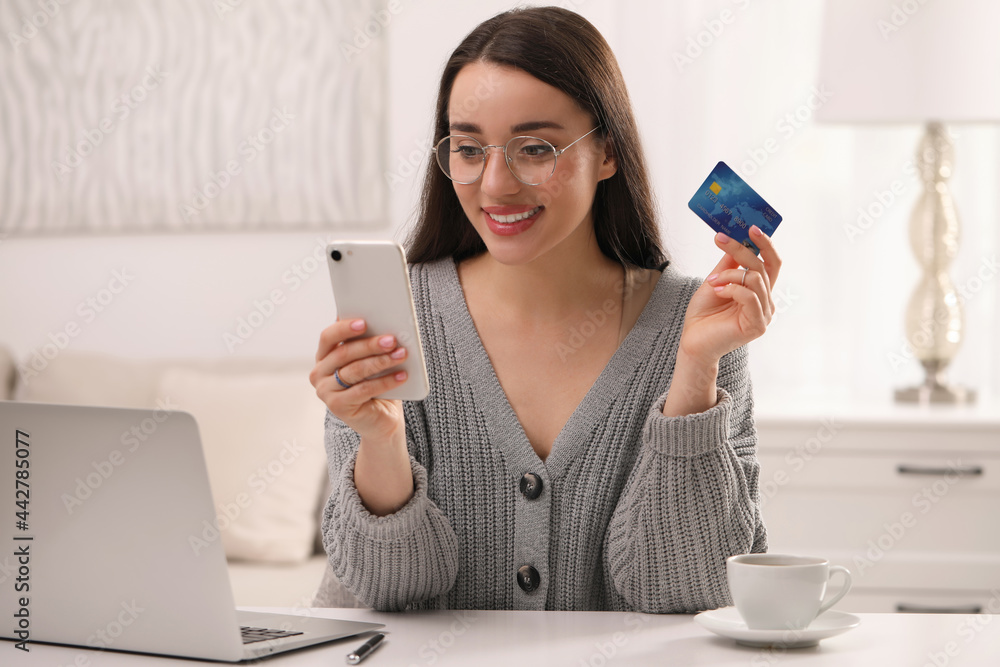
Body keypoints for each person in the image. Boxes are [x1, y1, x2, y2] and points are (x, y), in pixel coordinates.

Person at [309, 6, 780, 613]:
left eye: (535, 148)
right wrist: (379, 440)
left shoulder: (701, 328)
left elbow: (686, 590)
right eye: (470, 148)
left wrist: (693, 372)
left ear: (607, 152)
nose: (497, 185)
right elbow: (390, 591)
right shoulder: (400, 319)